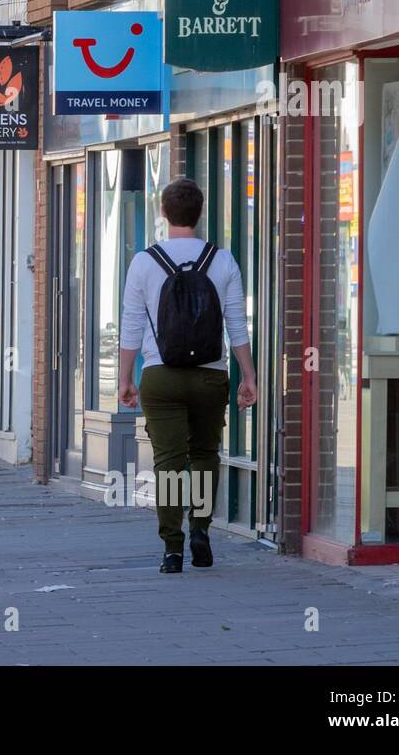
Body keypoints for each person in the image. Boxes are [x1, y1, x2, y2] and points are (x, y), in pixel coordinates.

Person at [117, 178, 257, 574]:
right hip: (210, 375)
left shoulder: (144, 262)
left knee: (169, 462)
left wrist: (126, 378)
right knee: (205, 455)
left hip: (161, 375)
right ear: (200, 213)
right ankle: (201, 532)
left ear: (164, 212)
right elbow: (236, 325)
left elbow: (130, 326)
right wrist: (249, 377)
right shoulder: (222, 260)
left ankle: (172, 549)